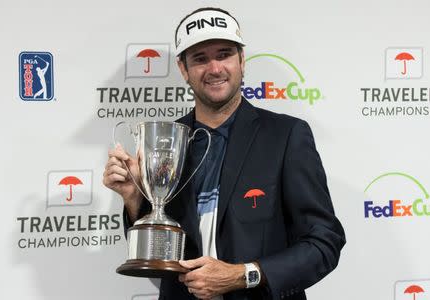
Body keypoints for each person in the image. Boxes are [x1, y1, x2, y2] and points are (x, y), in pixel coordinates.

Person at [103, 7, 346, 300]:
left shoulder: (285, 136)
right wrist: (134, 200)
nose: (215, 68)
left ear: (242, 60)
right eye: (200, 59)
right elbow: (156, 258)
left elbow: (324, 243)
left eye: (224, 54)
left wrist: (244, 275)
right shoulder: (165, 141)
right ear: (184, 69)